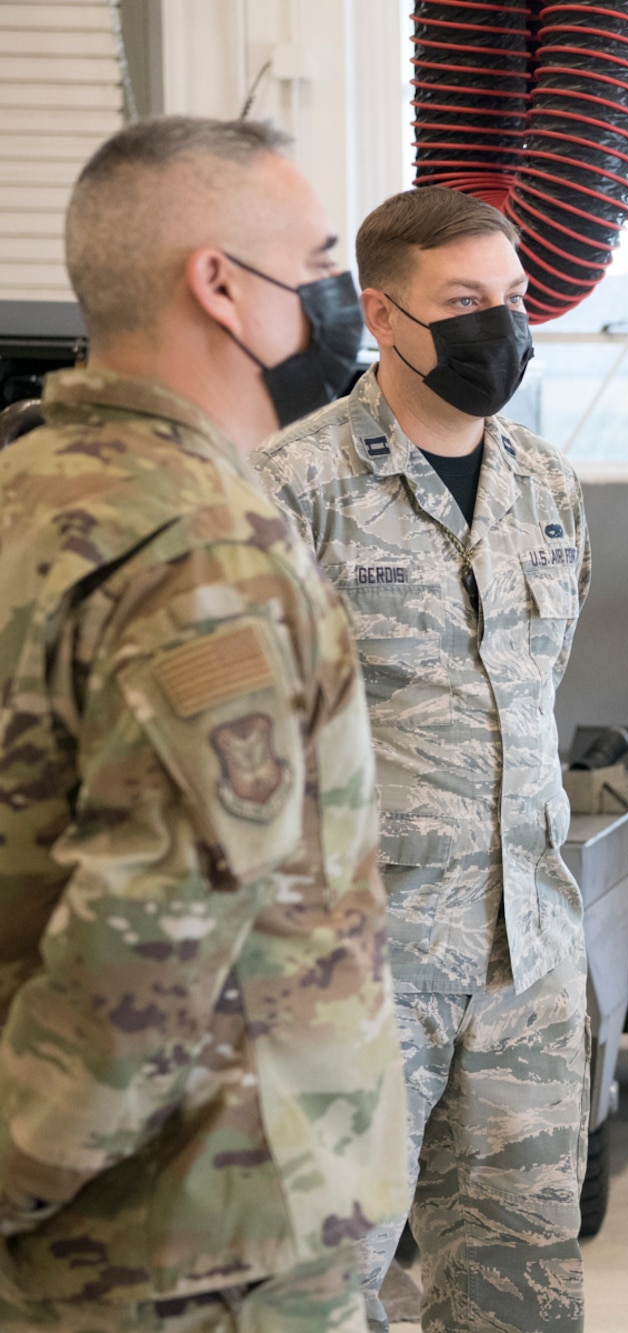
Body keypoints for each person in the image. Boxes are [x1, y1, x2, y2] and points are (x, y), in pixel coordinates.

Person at [0, 117, 403, 1327]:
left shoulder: (30, 489)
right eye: (322, 260)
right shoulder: (203, 548)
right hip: (195, 1241)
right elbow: (151, 943)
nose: (340, 298)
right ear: (220, 283)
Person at [256, 186, 591, 1333]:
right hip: (359, 967)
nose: (497, 327)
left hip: (529, 954)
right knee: (323, 1287)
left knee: (521, 1287)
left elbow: (538, 693)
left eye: (511, 299)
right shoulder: (290, 492)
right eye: (463, 302)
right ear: (382, 313)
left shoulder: (547, 488)